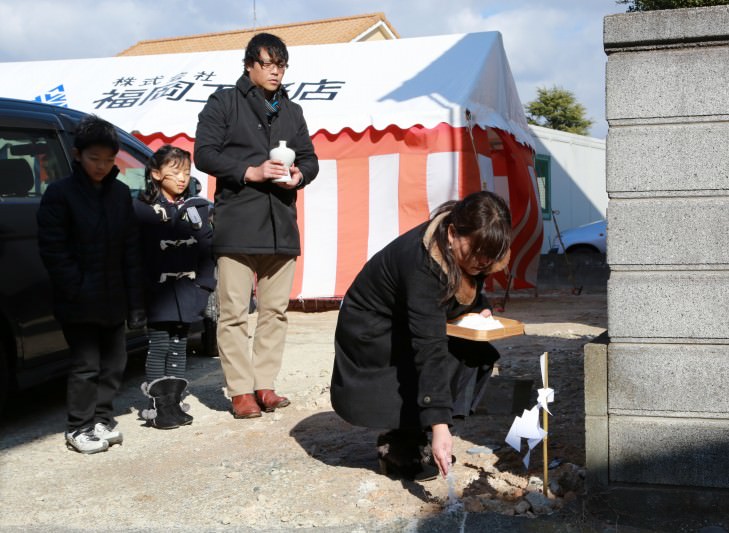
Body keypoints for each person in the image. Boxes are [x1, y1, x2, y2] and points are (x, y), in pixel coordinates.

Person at [330, 191, 512, 481]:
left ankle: (415, 433)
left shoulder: (456, 247)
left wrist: (482, 309)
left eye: (488, 256)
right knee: (439, 356)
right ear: (453, 233)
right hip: (371, 337)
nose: (481, 262)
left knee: (475, 353)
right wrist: (441, 426)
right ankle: (400, 441)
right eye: (476, 252)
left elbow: (465, 290)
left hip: (400, 325)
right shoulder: (422, 264)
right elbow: (429, 346)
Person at [194, 32, 319, 418]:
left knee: (275, 311)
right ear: (249, 65)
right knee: (233, 313)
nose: (275, 71)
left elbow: (311, 158)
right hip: (238, 222)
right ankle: (240, 391)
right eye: (267, 63)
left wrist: (299, 177)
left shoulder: (292, 111)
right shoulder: (224, 102)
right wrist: (249, 171)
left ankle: (264, 385)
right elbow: (203, 154)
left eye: (280, 65)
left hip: (282, 224)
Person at [37, 114, 145, 454]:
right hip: (79, 299)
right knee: (86, 365)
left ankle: (101, 418)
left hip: (114, 296)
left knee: (115, 362)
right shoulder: (60, 194)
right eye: (94, 158)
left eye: (109, 160)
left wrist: (136, 300)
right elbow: (54, 250)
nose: (101, 166)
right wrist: (77, 288)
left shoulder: (120, 194)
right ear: (77, 155)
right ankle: (78, 426)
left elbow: (131, 249)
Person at [133, 145, 214, 429]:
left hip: (188, 291)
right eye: (175, 171)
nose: (182, 178)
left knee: (180, 345)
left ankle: (176, 401)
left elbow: (206, 249)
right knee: (159, 346)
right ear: (156, 174)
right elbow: (135, 255)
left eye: (187, 172)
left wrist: (205, 285)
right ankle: (159, 406)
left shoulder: (196, 207)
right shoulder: (141, 209)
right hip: (157, 292)